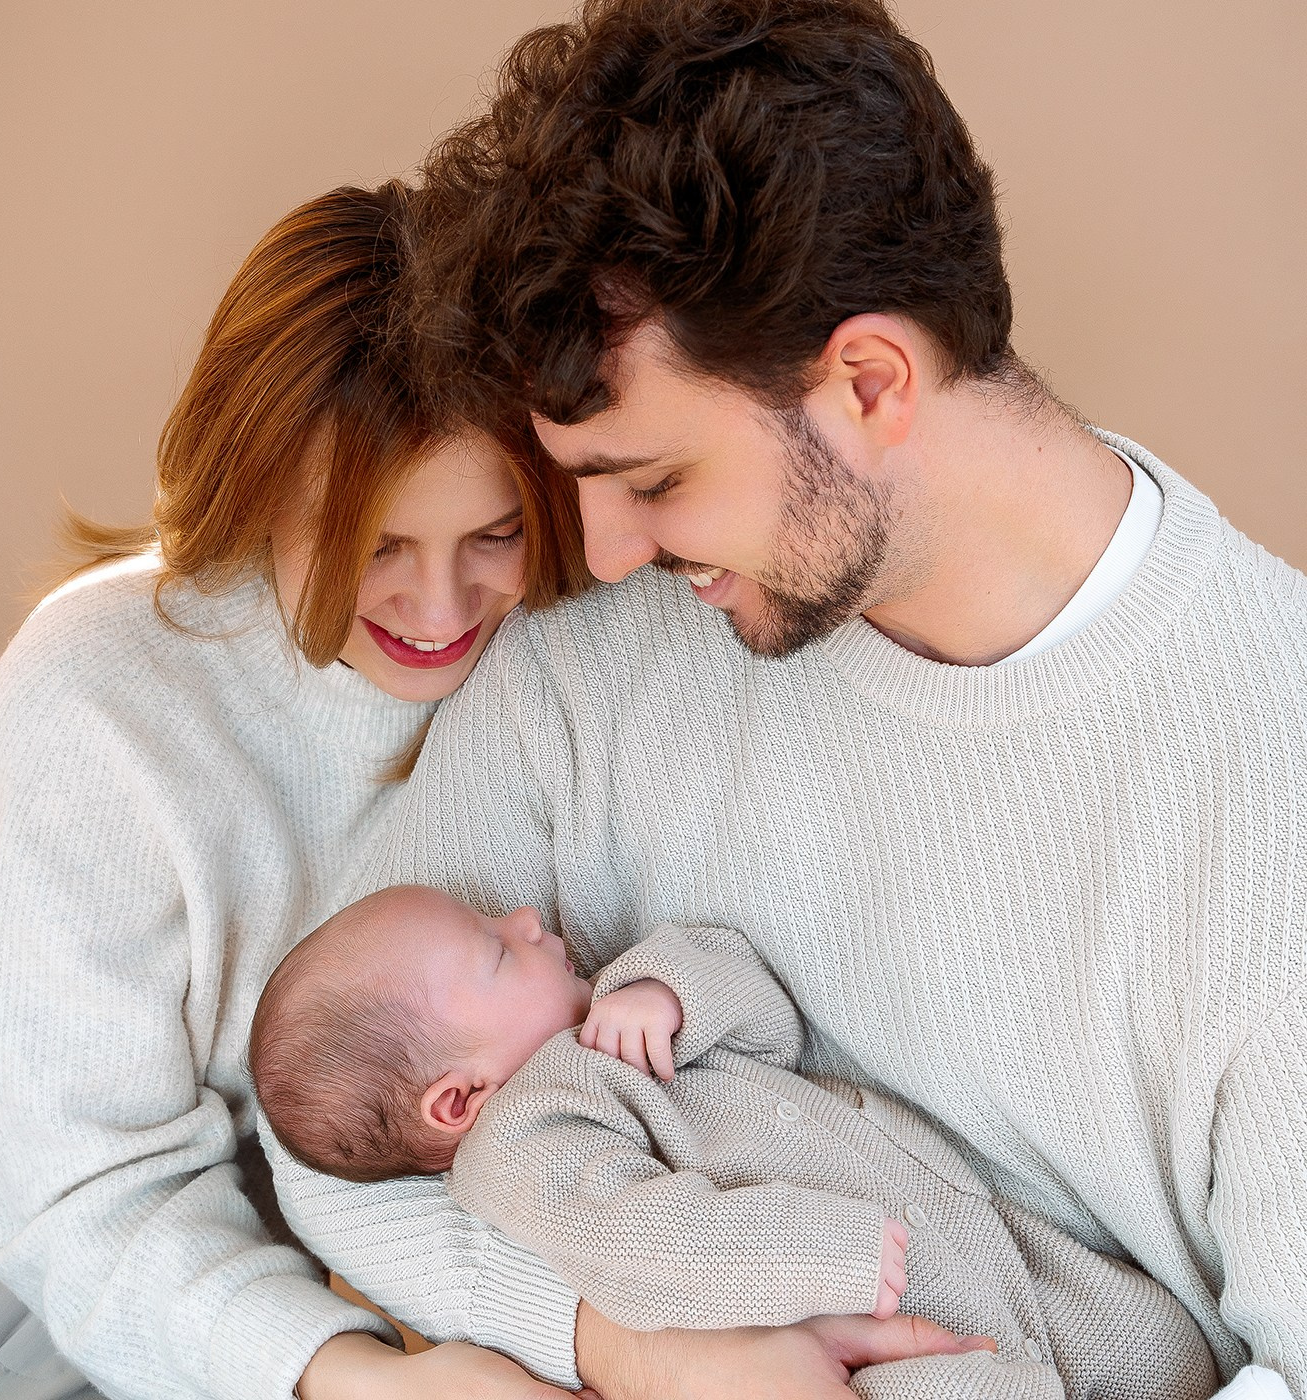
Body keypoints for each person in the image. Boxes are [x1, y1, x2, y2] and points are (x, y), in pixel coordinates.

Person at [267, 4, 1307, 1399]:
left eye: (653, 480)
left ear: (868, 382)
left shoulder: (1266, 763)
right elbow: (343, 1133)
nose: (609, 553)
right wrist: (636, 1349)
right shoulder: (594, 671)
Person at [0, 182, 599, 1400]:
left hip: (331, 1274)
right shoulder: (99, 694)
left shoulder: (569, 641)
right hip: (6, 1220)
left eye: (491, 534)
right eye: (375, 545)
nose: (441, 613)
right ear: (256, 492)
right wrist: (355, 1375)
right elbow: (82, 1196)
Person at [250, 884, 1218, 1400]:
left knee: (1162, 1348)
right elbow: (645, 1246)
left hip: (999, 1247)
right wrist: (819, 1253)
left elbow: (765, 1021)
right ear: (458, 1101)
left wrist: (669, 990)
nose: (525, 917)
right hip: (874, 1319)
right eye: (495, 947)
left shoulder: (615, 1017)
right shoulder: (523, 1143)